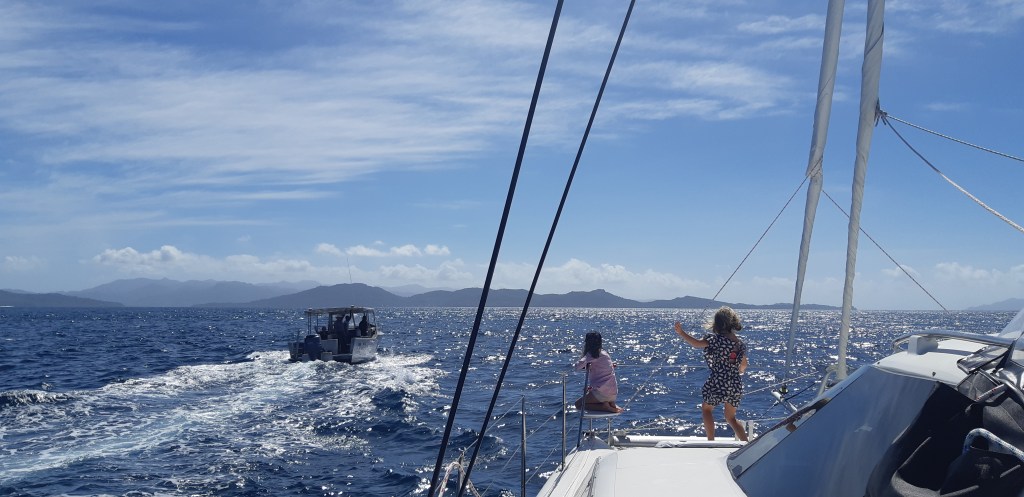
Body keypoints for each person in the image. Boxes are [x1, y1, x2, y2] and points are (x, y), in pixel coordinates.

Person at [673, 306, 749, 441]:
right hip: (735, 382)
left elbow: (697, 344)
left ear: (717, 323)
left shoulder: (716, 340)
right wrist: (738, 371)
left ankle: (711, 440)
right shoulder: (739, 344)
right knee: (731, 417)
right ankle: (745, 443)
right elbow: (743, 365)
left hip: (718, 380)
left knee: (707, 409)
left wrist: (681, 333)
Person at [574, 332, 624, 413]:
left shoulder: (592, 354)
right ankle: (610, 404)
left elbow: (577, 366)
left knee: (578, 405)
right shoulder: (605, 354)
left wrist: (585, 360)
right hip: (613, 394)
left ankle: (604, 407)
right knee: (591, 394)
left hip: (602, 393)